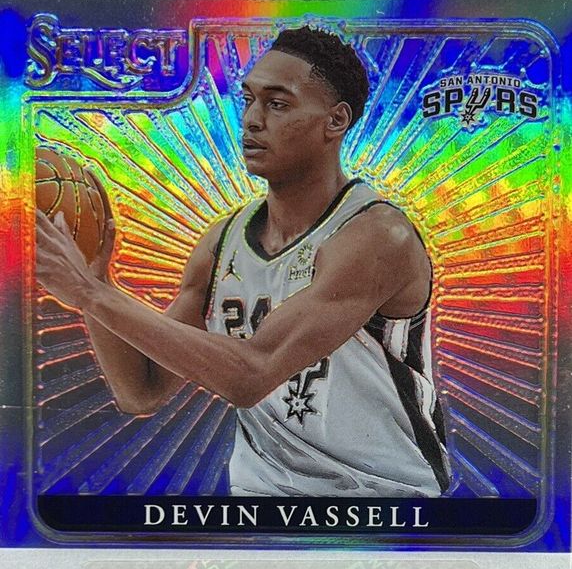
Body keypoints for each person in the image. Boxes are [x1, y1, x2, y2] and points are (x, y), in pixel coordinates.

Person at [36, 26, 450, 498]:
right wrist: (97, 281)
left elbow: (252, 373)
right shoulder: (223, 241)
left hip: (386, 506)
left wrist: (91, 294)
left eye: (277, 104)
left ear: (335, 121)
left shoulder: (377, 236)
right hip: (259, 503)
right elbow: (142, 389)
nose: (252, 120)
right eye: (249, 100)